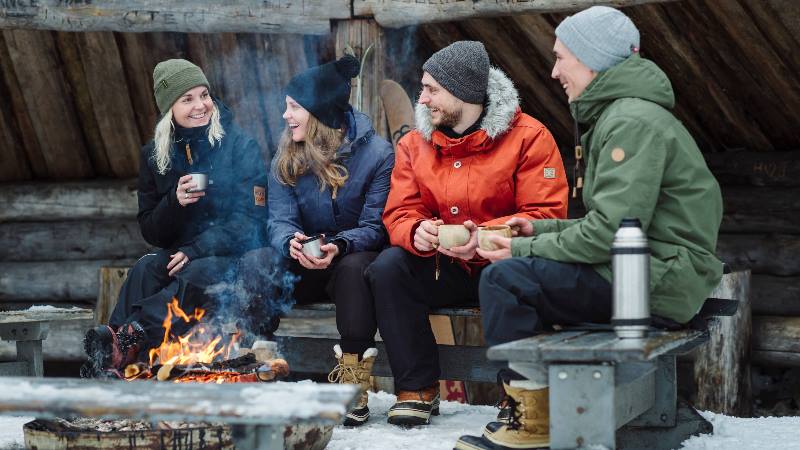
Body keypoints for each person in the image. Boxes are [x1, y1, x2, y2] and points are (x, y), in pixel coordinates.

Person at [455, 6, 724, 450]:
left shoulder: (630, 121)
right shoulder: (625, 115)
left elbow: (609, 235)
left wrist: (518, 252)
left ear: (592, 59)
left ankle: (536, 425)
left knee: (506, 280)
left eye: (562, 57)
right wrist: (534, 234)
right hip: (654, 271)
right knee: (525, 276)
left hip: (654, 280)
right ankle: (552, 407)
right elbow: (613, 224)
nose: (554, 70)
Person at [366, 41, 569, 427]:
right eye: (422, 88)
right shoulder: (414, 144)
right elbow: (400, 210)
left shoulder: (529, 136)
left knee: (510, 278)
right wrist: (417, 231)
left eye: (431, 90)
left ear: (462, 92)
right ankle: (417, 389)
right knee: (387, 268)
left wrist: (486, 236)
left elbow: (546, 214)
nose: (421, 99)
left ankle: (518, 398)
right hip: (446, 265)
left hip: (504, 262)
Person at [81, 59, 268, 379]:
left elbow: (252, 222)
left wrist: (196, 248)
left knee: (196, 269)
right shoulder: (155, 155)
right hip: (182, 252)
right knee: (145, 268)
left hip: (231, 255)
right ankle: (112, 360)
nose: (200, 105)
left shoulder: (239, 146)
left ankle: (132, 335)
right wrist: (173, 203)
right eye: (188, 99)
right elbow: (151, 229)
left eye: (204, 95)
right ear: (170, 108)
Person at [244, 54, 394, 427]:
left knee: (357, 267)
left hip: (347, 261)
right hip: (302, 265)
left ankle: (354, 377)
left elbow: (375, 226)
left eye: (294, 106)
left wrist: (340, 245)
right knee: (257, 261)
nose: (286, 115)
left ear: (321, 111)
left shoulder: (378, 156)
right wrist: (290, 243)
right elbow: (278, 220)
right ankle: (260, 363)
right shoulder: (287, 155)